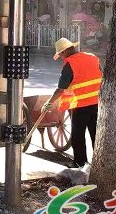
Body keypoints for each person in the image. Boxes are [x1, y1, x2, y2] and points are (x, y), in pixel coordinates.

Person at [41, 38, 102, 168]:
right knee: (96, 135)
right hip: (96, 103)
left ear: (65, 51)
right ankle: (100, 165)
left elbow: (60, 89)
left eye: (61, 54)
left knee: (78, 136)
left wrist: (49, 102)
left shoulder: (70, 64)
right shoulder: (92, 57)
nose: (61, 57)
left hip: (80, 106)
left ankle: (79, 163)